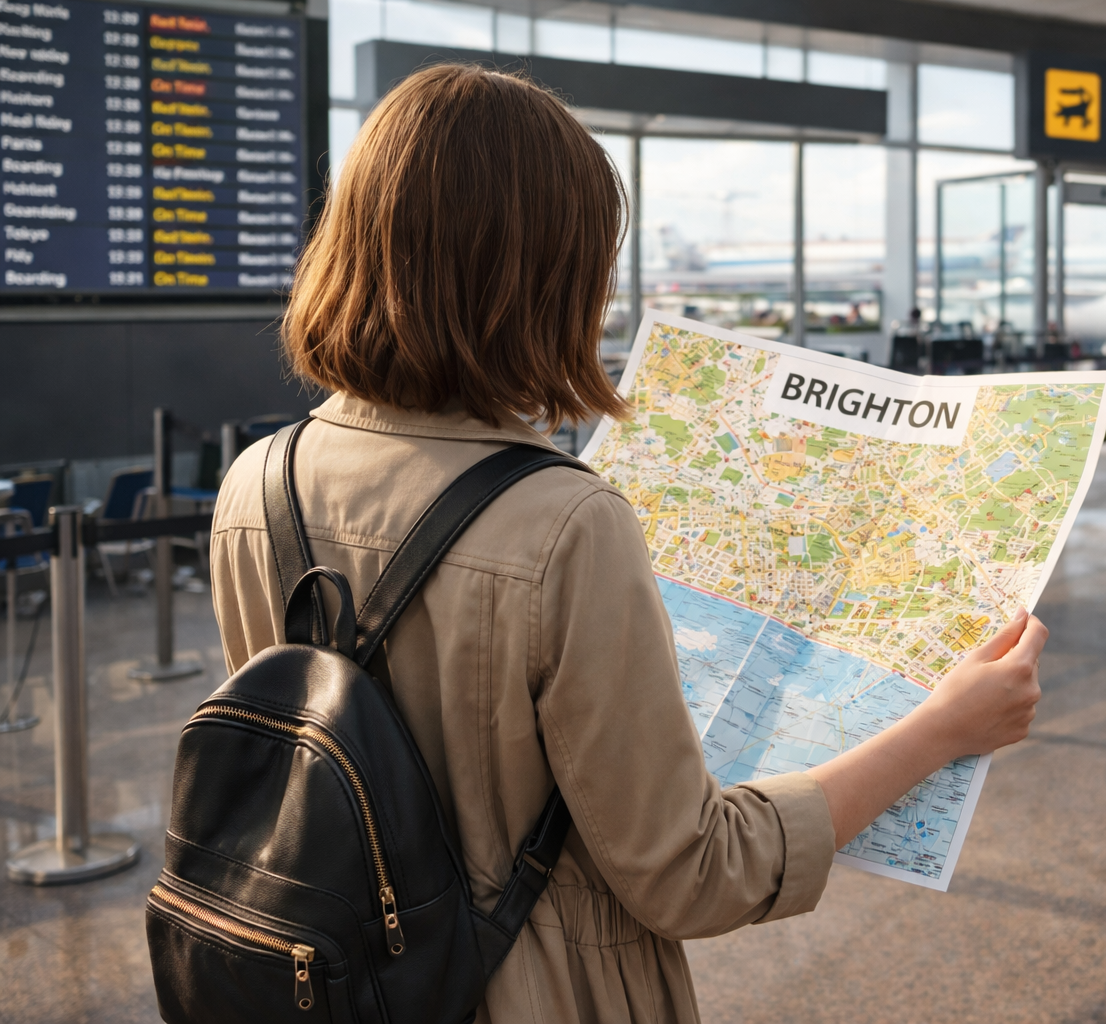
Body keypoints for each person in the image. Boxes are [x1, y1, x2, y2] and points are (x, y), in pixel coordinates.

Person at [208, 65, 1047, 1024]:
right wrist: (944, 728)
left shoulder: (257, 483)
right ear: (541, 277)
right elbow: (692, 876)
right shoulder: (564, 522)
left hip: (332, 982)